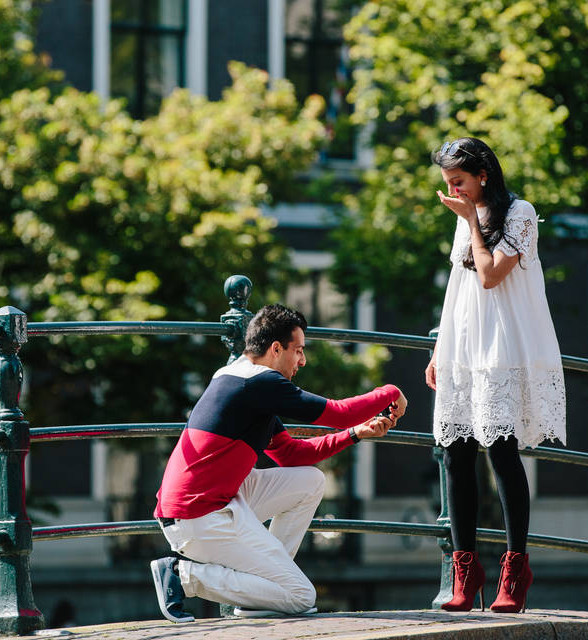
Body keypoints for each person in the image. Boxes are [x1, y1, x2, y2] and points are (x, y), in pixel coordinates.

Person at [149, 303, 407, 623]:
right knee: (301, 597)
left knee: (310, 481)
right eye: (298, 350)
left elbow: (290, 455)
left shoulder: (240, 379)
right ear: (275, 349)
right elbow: (338, 412)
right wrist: (390, 391)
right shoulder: (258, 383)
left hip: (213, 501)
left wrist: (355, 434)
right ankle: (182, 576)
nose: (303, 360)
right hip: (197, 516)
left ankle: (264, 590)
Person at [426, 137, 566, 613]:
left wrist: (471, 223)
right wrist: (439, 350)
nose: (452, 191)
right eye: (447, 183)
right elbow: (458, 288)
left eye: (457, 181)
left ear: (482, 174)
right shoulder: (466, 219)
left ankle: (515, 571)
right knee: (455, 454)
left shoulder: (520, 213)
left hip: (502, 345)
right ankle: (465, 572)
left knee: (502, 453)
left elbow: (489, 276)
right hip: (464, 347)